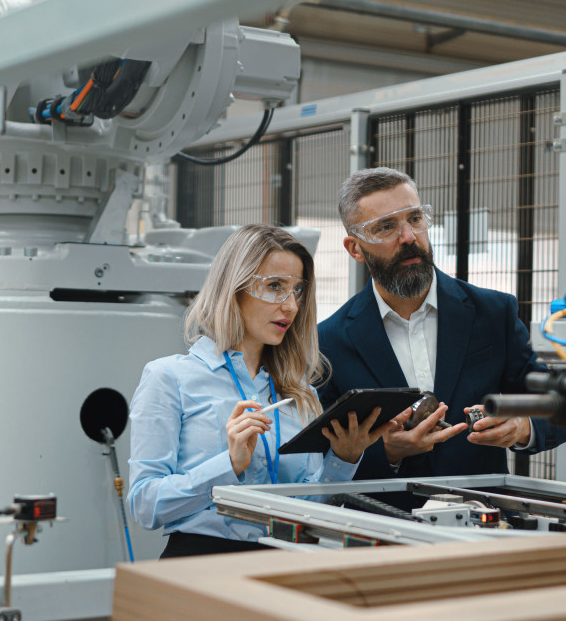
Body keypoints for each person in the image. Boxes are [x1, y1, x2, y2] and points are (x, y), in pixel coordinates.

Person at [127, 224, 394, 558]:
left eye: (296, 291)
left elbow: (309, 507)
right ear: (233, 288)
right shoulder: (169, 377)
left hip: (287, 559)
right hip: (204, 559)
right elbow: (143, 505)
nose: (291, 306)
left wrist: (344, 458)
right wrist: (229, 464)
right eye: (274, 286)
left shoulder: (301, 393)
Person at [318, 166, 565, 490]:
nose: (408, 237)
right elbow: (320, 456)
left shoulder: (493, 313)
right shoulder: (328, 342)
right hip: (380, 530)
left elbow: (553, 405)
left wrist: (523, 427)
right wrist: (387, 452)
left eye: (415, 219)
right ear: (355, 249)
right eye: (386, 226)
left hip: (481, 526)